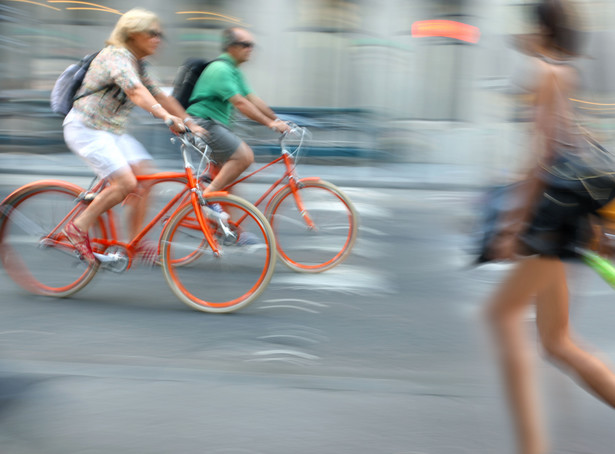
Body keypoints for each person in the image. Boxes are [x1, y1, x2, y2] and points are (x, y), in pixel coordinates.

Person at [484, 1, 615, 454]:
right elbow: (571, 149)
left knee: (501, 317)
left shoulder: (544, 73)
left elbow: (543, 160)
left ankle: (531, 446)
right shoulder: (564, 72)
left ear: (538, 29)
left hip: (550, 223)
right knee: (557, 341)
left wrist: (510, 226)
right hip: (565, 219)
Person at [62, 8, 207, 264]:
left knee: (146, 176)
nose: (158, 39)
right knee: (126, 183)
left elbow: (161, 96)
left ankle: (135, 240)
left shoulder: (139, 64)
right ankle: (77, 227)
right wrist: (165, 117)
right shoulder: (115, 56)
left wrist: (189, 122)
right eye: (152, 33)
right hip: (86, 128)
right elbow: (135, 91)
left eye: (160, 34)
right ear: (133, 34)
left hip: (111, 131)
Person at [185, 27, 291, 195]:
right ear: (231, 47)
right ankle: (204, 199)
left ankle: (216, 217)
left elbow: (253, 99)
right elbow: (240, 103)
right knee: (243, 157)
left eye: (252, 45)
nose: (250, 49)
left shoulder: (234, 70)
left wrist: (277, 120)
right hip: (203, 122)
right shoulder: (221, 69)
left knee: (227, 182)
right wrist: (270, 123)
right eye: (246, 45)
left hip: (215, 124)